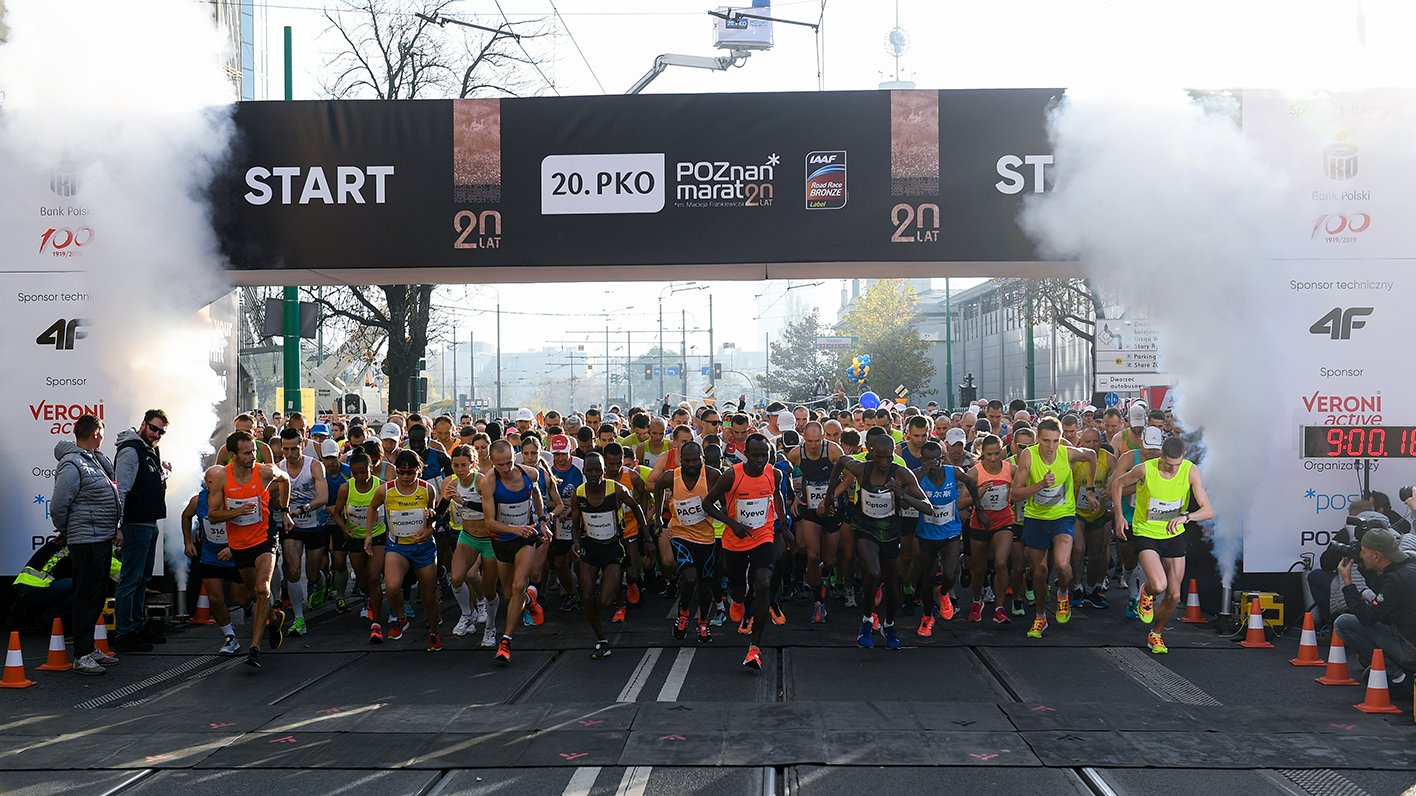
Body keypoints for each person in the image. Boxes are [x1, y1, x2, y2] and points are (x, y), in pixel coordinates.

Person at [824, 431, 933, 651]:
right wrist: (829, 497)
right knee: (873, 572)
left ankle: (889, 625)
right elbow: (841, 462)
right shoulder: (860, 469)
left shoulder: (902, 474)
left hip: (891, 531)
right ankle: (866, 621)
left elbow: (927, 507)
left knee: (893, 584)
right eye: (880, 457)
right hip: (865, 527)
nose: (884, 462)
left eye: (889, 458)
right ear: (871, 453)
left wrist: (902, 495)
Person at [1111, 435, 1213, 654]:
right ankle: (1146, 593)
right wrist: (1119, 516)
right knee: (1159, 585)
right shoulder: (1145, 469)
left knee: (1174, 594)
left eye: (1177, 464)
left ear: (1183, 458)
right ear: (1161, 456)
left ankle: (1156, 634)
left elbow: (1208, 510)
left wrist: (1186, 517)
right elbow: (1118, 483)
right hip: (1146, 532)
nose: (1173, 469)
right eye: (1168, 463)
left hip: (1174, 533)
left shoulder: (1190, 470)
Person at [205, 430, 292, 669]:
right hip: (239, 544)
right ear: (232, 455)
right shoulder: (221, 478)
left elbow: (285, 479)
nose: (252, 456)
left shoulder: (264, 471)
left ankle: (254, 649)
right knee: (251, 596)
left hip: (264, 537)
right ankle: (274, 620)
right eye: (246, 453)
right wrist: (236, 512)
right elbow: (212, 515)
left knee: (263, 589)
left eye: (253, 450)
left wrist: (283, 511)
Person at [705, 434, 787, 670]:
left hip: (763, 535)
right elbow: (707, 504)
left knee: (763, 582)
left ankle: (755, 648)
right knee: (739, 590)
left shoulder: (774, 473)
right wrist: (732, 524)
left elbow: (777, 496)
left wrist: (785, 525)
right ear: (746, 454)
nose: (761, 459)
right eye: (756, 455)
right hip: (736, 540)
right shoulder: (732, 475)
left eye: (765, 455)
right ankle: (739, 600)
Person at [49, 414, 122, 674]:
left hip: (100, 538)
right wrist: (67, 530)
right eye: (103, 431)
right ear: (95, 433)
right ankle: (81, 655)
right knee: (86, 597)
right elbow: (58, 505)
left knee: (96, 596)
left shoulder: (93, 461)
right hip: (86, 540)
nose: (104, 436)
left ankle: (88, 648)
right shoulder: (73, 464)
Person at [1011, 416, 1097, 639]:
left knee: (1061, 563)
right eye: (1046, 441)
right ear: (1037, 439)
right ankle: (1040, 617)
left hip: (1063, 515)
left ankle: (1062, 593)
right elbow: (1015, 493)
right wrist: (1040, 485)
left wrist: (1089, 489)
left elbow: (1092, 456)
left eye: (1055, 441)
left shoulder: (1067, 453)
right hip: (1036, 517)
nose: (1051, 447)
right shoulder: (1028, 456)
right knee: (1039, 571)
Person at [572, 452, 649, 660]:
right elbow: (575, 524)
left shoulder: (616, 489)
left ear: (604, 470)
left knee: (605, 602)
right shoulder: (579, 493)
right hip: (590, 547)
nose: (594, 474)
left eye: (598, 469)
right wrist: (576, 543)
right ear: (584, 471)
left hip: (613, 547)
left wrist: (647, 536)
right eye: (590, 470)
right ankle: (601, 640)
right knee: (587, 595)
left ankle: (619, 600)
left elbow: (637, 507)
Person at [481, 439, 550, 666]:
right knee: (511, 595)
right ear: (492, 462)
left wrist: (541, 520)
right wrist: (512, 529)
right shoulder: (489, 482)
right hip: (503, 539)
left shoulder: (530, 473)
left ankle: (505, 642)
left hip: (526, 537)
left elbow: (537, 493)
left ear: (515, 456)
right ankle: (530, 599)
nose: (506, 468)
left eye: (510, 462)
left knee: (519, 585)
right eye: (500, 465)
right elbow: (489, 521)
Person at [368, 449, 441, 650]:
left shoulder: (427, 489)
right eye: (401, 472)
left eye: (411, 472)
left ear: (419, 470)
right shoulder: (386, 490)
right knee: (391, 587)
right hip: (398, 546)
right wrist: (368, 534)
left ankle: (434, 631)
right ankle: (401, 618)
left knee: (428, 594)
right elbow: (372, 508)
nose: (406, 476)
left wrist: (430, 530)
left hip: (423, 547)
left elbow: (432, 518)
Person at [112, 409, 170, 653]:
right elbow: (121, 490)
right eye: (154, 428)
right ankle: (125, 632)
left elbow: (148, 485)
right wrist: (118, 525)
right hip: (135, 524)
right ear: (143, 424)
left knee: (141, 580)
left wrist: (163, 476)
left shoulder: (149, 450)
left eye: (161, 431)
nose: (157, 434)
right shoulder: (131, 451)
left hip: (148, 522)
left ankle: (135, 626)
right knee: (131, 579)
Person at [652, 440, 722, 642]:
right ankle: (683, 614)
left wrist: (726, 516)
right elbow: (657, 488)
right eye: (687, 460)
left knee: (705, 584)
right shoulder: (671, 477)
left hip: (706, 536)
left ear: (702, 458)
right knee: (689, 577)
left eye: (695, 460)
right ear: (680, 460)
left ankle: (702, 622)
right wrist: (658, 517)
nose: (691, 464)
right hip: (680, 533)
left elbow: (726, 501)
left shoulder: (711, 475)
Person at [1334, 525, 1416, 687]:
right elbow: (1384, 598)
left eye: (1363, 552)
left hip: (1410, 648)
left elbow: (1368, 618)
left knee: (1344, 623)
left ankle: (1398, 676)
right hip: (1408, 634)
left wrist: (1347, 583)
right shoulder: (1407, 565)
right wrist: (1366, 568)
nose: (1360, 555)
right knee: (1369, 672)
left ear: (1377, 555)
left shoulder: (1396, 580)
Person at [913, 439, 979, 637]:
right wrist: (922, 472)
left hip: (950, 531)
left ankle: (943, 594)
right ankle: (927, 616)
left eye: (936, 460)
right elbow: (904, 490)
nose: (933, 465)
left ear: (943, 458)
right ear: (922, 460)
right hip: (927, 534)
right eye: (927, 461)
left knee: (950, 574)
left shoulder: (954, 472)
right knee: (927, 577)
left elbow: (971, 482)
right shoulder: (917, 475)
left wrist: (978, 508)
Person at [785, 421, 845, 623]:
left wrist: (830, 497)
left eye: (816, 441)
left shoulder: (833, 450)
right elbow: (782, 474)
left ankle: (824, 577)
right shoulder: (796, 453)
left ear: (823, 438)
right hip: (810, 507)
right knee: (812, 555)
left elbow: (851, 477)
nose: (812, 445)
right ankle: (818, 601)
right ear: (803, 438)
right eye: (809, 441)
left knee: (829, 560)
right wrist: (793, 496)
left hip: (831, 508)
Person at [179, 486, 246, 655]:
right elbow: (186, 516)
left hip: (237, 554)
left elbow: (252, 527)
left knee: (241, 599)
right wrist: (188, 542)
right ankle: (230, 636)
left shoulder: (237, 499)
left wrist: (233, 548)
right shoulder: (198, 500)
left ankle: (251, 605)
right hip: (211, 556)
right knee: (215, 598)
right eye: (208, 482)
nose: (211, 485)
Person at [276, 428, 328, 638]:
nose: (289, 454)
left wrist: (303, 508)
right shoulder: (279, 468)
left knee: (312, 574)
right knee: (293, 571)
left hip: (314, 524)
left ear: (303, 444)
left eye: (294, 449)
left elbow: (323, 497)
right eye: (285, 449)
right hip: (293, 525)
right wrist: (285, 511)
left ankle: (322, 581)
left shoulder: (314, 466)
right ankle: (299, 618)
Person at [331, 451, 389, 642]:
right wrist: (344, 529)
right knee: (363, 580)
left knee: (374, 577)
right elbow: (336, 513)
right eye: (356, 474)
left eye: (364, 473)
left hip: (377, 536)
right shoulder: (346, 489)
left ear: (371, 469)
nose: (360, 477)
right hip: (355, 537)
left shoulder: (380, 486)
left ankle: (376, 623)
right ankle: (369, 598)